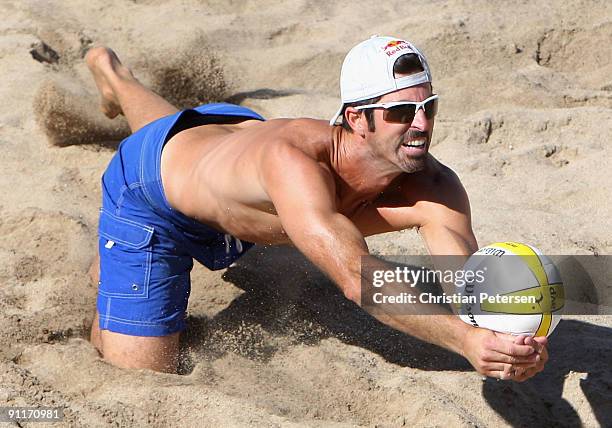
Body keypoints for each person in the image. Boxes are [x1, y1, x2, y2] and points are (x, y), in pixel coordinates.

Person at [86, 36, 548, 379]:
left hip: (226, 133)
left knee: (186, 141)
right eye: (401, 113)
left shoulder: (434, 184)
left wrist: (508, 339)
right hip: (151, 200)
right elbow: (358, 278)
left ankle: (116, 78)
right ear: (355, 118)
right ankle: (114, 269)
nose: (421, 124)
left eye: (429, 106)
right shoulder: (295, 165)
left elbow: (465, 286)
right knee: (145, 373)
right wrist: (465, 343)